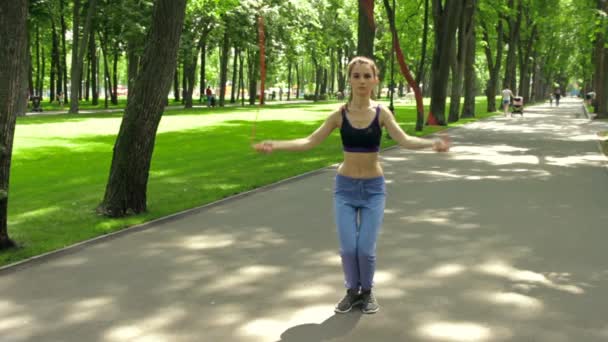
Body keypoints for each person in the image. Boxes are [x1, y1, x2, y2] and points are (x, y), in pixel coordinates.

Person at [253, 56, 449, 314]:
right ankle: (351, 291)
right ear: (349, 80)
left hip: (373, 190)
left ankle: (366, 293)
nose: (362, 81)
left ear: (375, 80)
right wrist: (275, 145)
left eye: (367, 76)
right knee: (348, 248)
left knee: (365, 249)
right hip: (345, 189)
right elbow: (309, 142)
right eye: (356, 75)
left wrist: (431, 144)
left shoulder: (381, 113)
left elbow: (404, 140)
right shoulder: (339, 114)